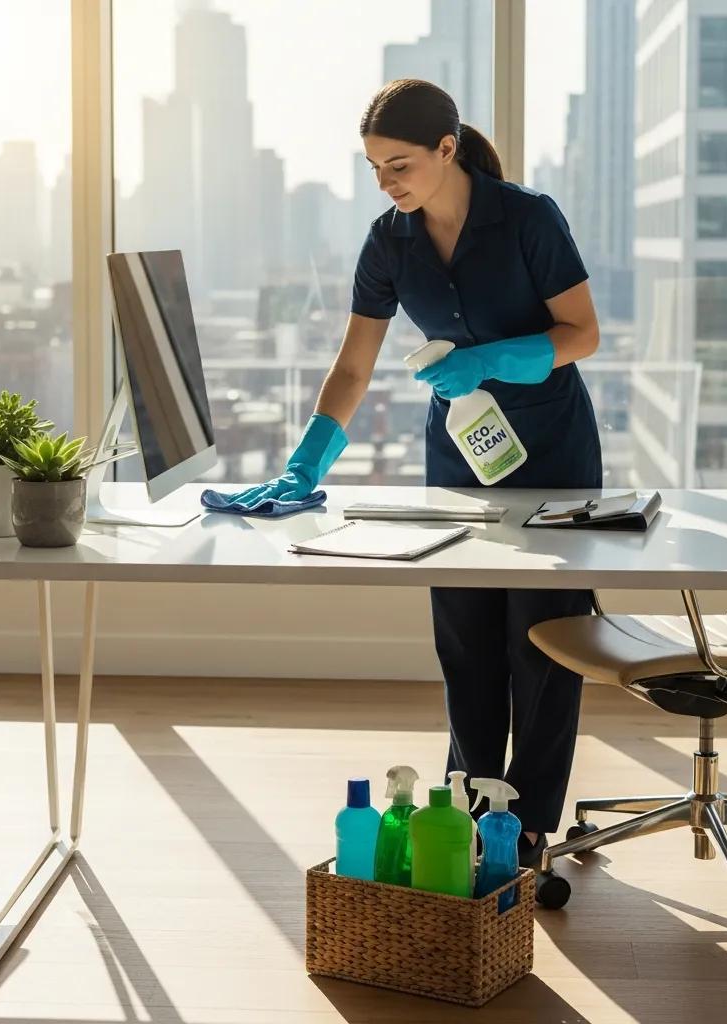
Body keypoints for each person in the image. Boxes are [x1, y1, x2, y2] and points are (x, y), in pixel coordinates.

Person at [210, 78, 602, 867]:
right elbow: (354, 366)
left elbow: (583, 333)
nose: (387, 184)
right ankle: (467, 807)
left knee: (543, 642)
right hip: (459, 451)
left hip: (550, 451)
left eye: (399, 165)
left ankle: (524, 828)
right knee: (466, 638)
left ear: (447, 149)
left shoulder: (528, 217)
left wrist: (493, 357)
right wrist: (305, 460)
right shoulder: (389, 242)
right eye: (374, 169)